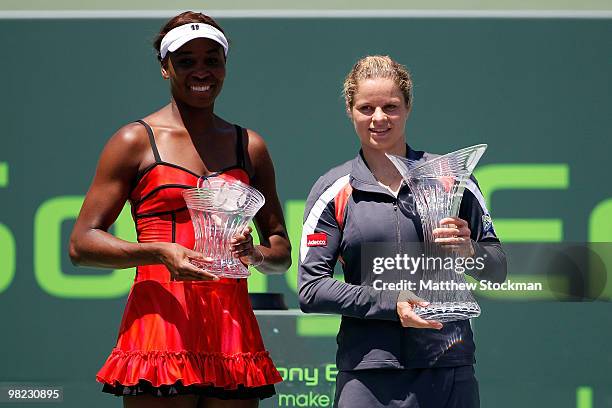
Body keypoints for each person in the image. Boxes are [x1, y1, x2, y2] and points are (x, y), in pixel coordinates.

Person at [69, 11, 291, 408]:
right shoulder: (134, 140)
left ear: (224, 66)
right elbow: (82, 244)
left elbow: (281, 253)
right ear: (165, 68)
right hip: (161, 323)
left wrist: (255, 254)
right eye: (186, 61)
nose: (201, 71)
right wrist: (159, 251)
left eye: (212, 59)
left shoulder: (249, 145)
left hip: (231, 325)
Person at [298, 55, 507, 408]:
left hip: (448, 368)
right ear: (350, 111)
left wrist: (469, 250)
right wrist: (391, 302)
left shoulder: (453, 180)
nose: (379, 118)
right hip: (368, 374)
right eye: (366, 108)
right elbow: (311, 289)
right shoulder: (333, 188)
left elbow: (498, 270)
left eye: (390, 107)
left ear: (408, 107)